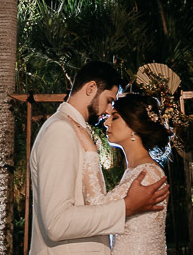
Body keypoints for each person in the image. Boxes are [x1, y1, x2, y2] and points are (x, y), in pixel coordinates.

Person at [29, 62, 169, 255]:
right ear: (91, 88)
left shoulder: (73, 131)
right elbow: (57, 223)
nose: (108, 112)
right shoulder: (61, 130)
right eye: (109, 100)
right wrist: (126, 208)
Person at [70, 94, 171, 254]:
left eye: (115, 117)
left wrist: (91, 153)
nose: (106, 122)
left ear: (133, 126)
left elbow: (97, 210)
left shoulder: (147, 174)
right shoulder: (135, 171)